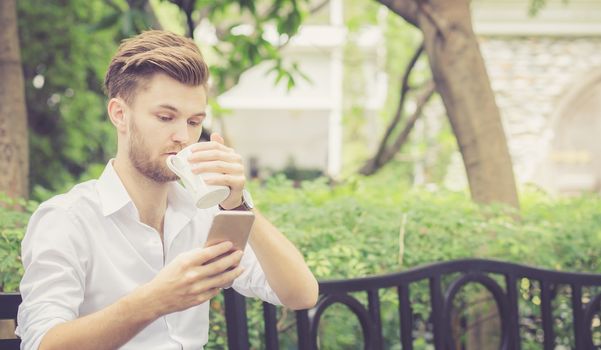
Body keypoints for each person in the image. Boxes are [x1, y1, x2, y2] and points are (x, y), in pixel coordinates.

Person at [16, 30, 318, 350]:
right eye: (165, 117)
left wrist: (239, 205)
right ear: (120, 114)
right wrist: (154, 300)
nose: (182, 137)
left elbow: (301, 295)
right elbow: (41, 344)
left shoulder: (206, 214)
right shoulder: (67, 219)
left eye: (193, 122)